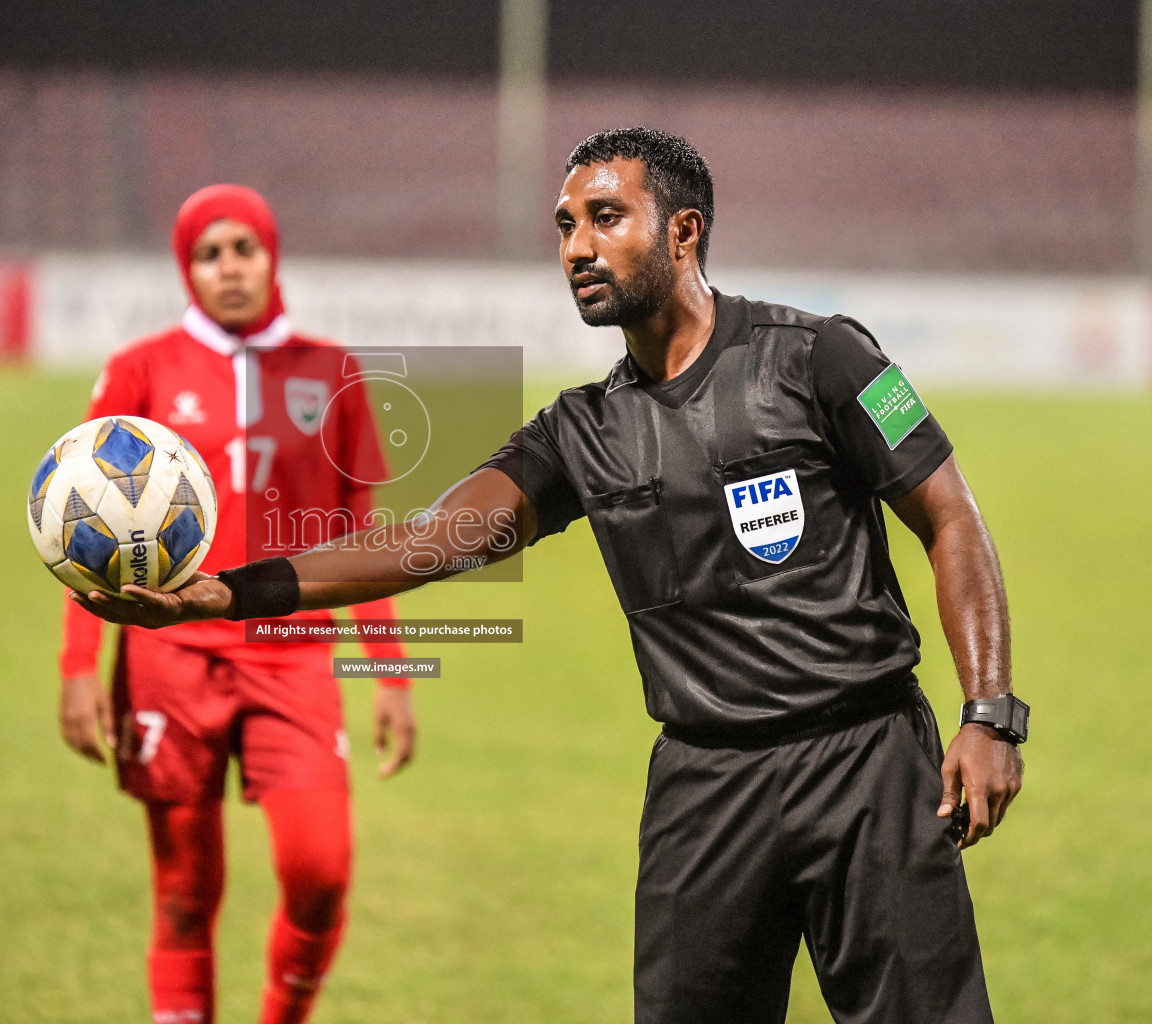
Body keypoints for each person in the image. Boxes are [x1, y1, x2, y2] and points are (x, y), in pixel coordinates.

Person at [71, 129, 1027, 1024]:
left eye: (606, 218)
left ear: (683, 231)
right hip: (705, 788)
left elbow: (953, 518)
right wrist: (234, 591)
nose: (577, 245)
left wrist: (990, 713)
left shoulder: (822, 356)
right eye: (565, 225)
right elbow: (428, 540)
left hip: (865, 763)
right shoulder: (580, 433)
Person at [58, 184, 418, 1024]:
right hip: (169, 661)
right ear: (187, 269)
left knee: (319, 872)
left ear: (271, 255)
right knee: (183, 892)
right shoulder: (141, 368)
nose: (228, 269)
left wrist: (392, 674)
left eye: (242, 249)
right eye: (207, 254)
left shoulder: (332, 372)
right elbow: (88, 532)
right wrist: (80, 666)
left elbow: (361, 533)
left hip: (291, 654)